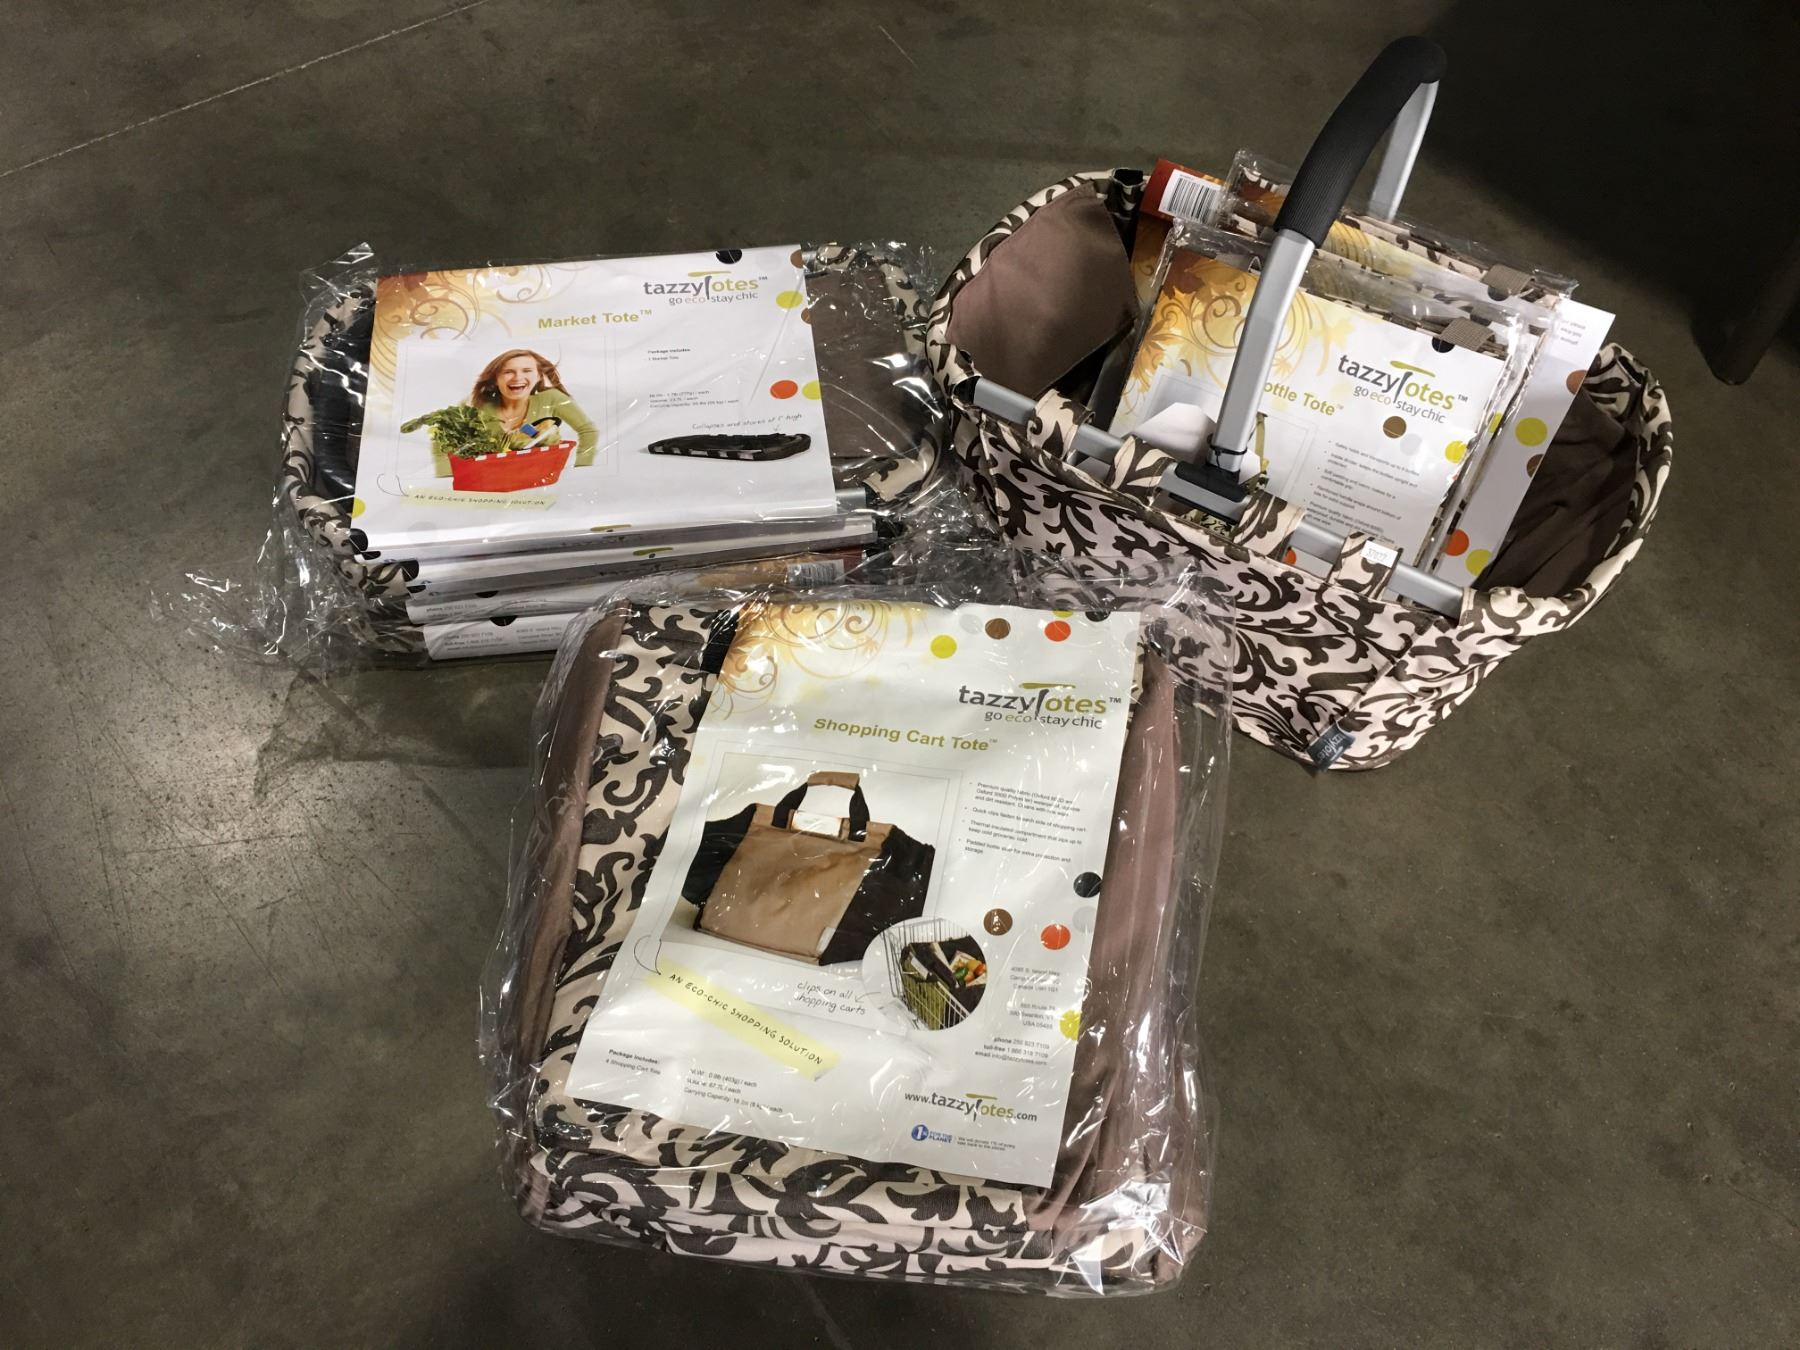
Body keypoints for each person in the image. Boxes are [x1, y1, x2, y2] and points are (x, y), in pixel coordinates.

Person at [445, 349, 598, 476]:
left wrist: (581, 471)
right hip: (490, 484)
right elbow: (444, 439)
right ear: (495, 379)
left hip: (541, 483)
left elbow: (588, 431)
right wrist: (446, 478)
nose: (518, 377)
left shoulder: (551, 398)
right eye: (508, 372)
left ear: (538, 376)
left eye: (527, 371)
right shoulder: (477, 404)